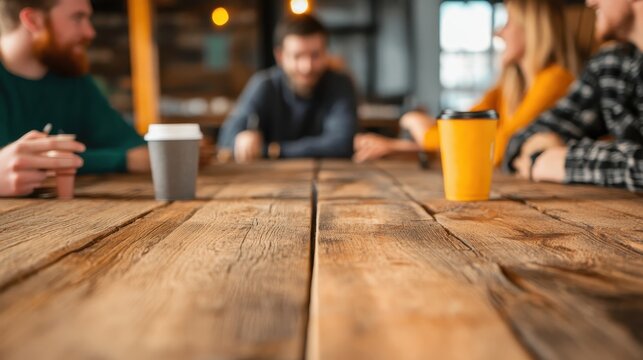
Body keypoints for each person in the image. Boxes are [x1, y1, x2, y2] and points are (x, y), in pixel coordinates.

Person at [353, 0, 581, 167]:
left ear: (534, 27)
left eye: (509, 21)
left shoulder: (556, 80)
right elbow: (464, 130)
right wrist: (406, 149)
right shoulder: (509, 88)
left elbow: (503, 150)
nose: (498, 32)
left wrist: (423, 131)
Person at [0, 0, 149, 197]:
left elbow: (139, 153)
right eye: (78, 17)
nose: (90, 32)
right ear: (33, 20)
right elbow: (132, 158)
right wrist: (122, 160)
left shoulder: (73, 78)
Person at [503, 0, 643, 192]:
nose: (589, 2)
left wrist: (565, 161)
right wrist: (542, 152)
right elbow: (519, 140)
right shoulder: (611, 64)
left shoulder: (555, 78)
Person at [217, 15, 358, 163]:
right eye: (297, 56)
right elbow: (225, 139)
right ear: (280, 56)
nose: (307, 67)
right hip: (267, 181)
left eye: (315, 55)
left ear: (326, 53)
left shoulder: (340, 84)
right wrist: (240, 138)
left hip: (331, 179)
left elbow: (342, 144)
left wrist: (272, 150)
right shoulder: (264, 84)